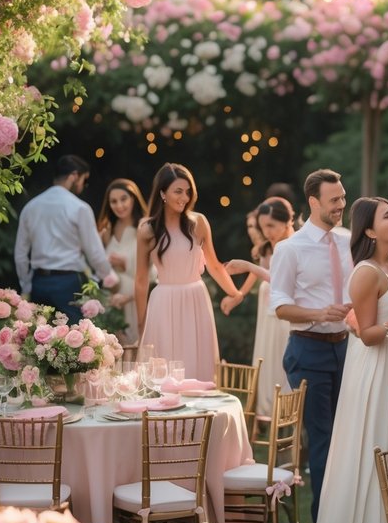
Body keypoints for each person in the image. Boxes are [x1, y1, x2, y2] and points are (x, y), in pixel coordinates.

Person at [313, 197, 388, 523]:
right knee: (372, 441)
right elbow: (368, 333)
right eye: (387, 216)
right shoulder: (366, 272)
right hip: (374, 368)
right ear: (370, 230)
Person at [270, 168, 353, 523]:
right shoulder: (289, 249)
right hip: (308, 349)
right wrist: (321, 312)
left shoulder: (350, 241)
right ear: (313, 202)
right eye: (334, 200)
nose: (340, 206)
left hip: (348, 349)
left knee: (348, 434)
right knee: (323, 437)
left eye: (343, 199)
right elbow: (280, 306)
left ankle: (348, 516)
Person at [135, 163, 241, 384]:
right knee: (161, 371)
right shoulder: (147, 230)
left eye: (188, 191)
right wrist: (142, 323)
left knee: (197, 367)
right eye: (178, 191)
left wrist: (235, 293)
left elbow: (214, 265)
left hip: (195, 301)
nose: (184, 197)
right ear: (163, 193)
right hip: (162, 303)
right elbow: (141, 281)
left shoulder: (198, 222)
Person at [14, 154, 117, 322]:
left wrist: (27, 284)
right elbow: (94, 251)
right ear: (74, 176)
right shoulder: (79, 208)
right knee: (72, 340)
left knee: (38, 341)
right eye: (84, 180)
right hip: (68, 283)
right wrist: (103, 276)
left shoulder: (31, 207)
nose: (83, 186)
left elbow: (20, 254)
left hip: (38, 282)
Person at [225, 198, 296, 416]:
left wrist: (249, 267)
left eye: (271, 226)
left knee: (281, 365)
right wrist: (238, 294)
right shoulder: (271, 248)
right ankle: (266, 412)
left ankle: (284, 413)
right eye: (263, 226)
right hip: (268, 318)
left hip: (286, 319)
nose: (266, 232)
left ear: (287, 222)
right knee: (267, 363)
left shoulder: (293, 247)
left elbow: (282, 281)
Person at [97, 178, 149, 344]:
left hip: (135, 299)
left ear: (133, 198)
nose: (119, 205)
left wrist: (126, 264)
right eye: (113, 201)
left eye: (123, 199)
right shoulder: (107, 231)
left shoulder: (145, 227)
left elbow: (154, 272)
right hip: (112, 304)